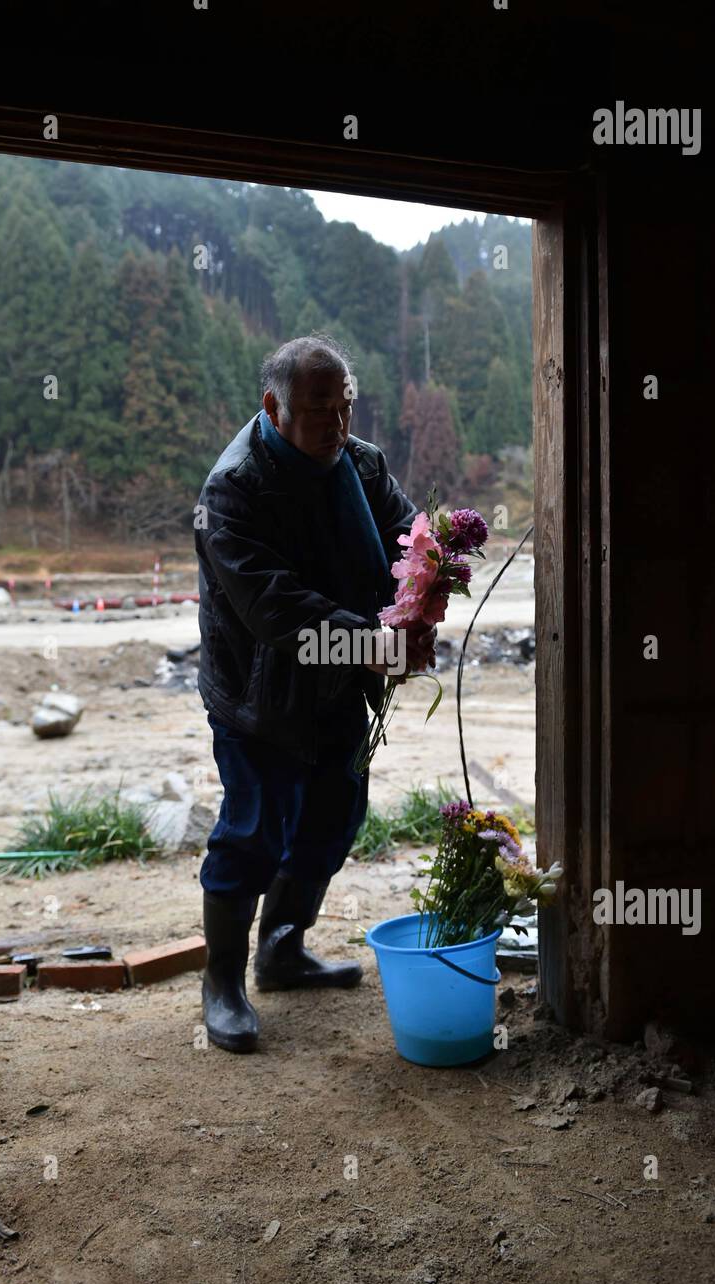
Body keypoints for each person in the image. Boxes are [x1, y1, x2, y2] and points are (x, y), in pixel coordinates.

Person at [193, 334, 435, 1052]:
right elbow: (277, 610)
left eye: (345, 406)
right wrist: (375, 641)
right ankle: (223, 981)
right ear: (273, 407)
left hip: (337, 685)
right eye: (318, 409)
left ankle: (282, 951)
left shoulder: (360, 464)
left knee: (332, 818)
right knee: (251, 832)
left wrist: (430, 582)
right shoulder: (231, 491)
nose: (337, 424)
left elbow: (405, 539)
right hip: (257, 697)